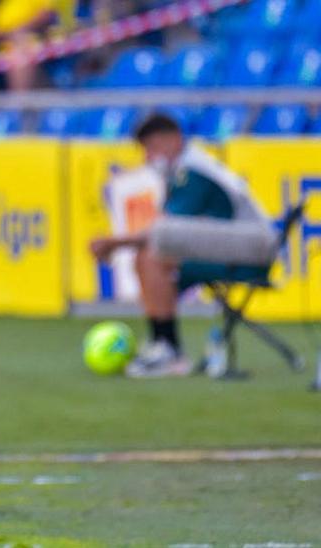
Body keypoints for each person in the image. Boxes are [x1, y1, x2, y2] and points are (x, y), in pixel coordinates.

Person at [91, 114, 276, 378]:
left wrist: (114, 243)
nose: (148, 157)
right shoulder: (186, 169)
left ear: (174, 139)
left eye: (151, 148)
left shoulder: (193, 171)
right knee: (148, 254)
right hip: (231, 247)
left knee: (154, 255)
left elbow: (164, 228)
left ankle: (169, 351)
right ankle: (162, 344)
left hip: (251, 250)